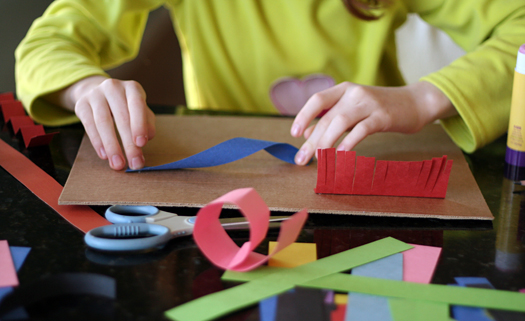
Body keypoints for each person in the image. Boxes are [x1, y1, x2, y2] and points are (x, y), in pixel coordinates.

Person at [15, 0, 525, 170]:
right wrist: (84, 88)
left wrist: (423, 97)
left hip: (371, 164)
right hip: (223, 190)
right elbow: (45, 46)